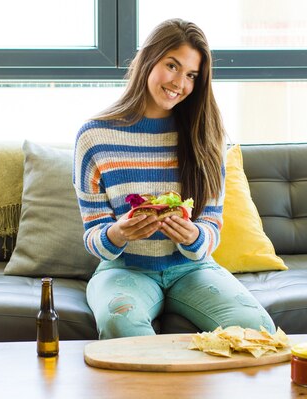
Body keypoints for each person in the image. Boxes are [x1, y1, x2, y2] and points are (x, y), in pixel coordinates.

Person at [73, 18, 276, 339]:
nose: (180, 83)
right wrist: (118, 232)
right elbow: (93, 236)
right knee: (119, 324)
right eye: (172, 65)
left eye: (192, 75)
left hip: (193, 269)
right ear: (148, 59)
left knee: (259, 329)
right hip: (124, 269)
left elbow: (211, 226)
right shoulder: (94, 136)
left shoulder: (206, 136)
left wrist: (192, 236)